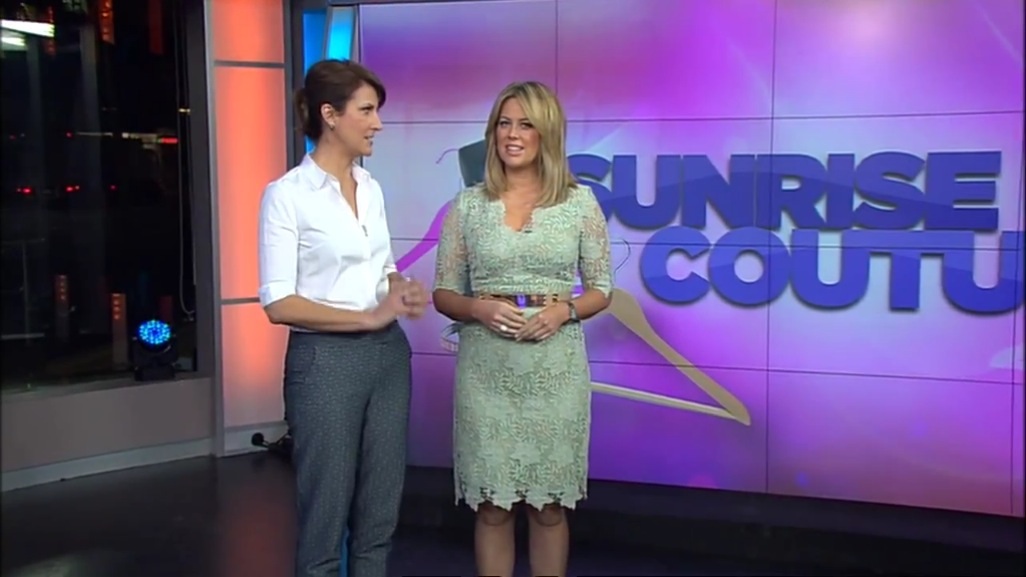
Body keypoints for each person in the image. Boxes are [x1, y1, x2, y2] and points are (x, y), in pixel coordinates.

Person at [432, 80, 613, 577]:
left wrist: (565, 311)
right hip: (486, 372)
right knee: (492, 505)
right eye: (504, 124)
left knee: (548, 506)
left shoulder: (579, 203)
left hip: (554, 370)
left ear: (546, 133)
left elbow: (602, 288)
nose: (512, 135)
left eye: (525, 125)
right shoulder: (467, 206)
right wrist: (477, 309)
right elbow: (443, 293)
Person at [257, 59, 427, 577]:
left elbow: (384, 267)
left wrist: (399, 290)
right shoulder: (286, 195)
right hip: (325, 362)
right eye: (367, 111)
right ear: (330, 115)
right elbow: (278, 302)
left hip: (388, 358)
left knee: (380, 510)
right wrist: (367, 317)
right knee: (325, 514)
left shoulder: (370, 188)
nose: (378, 124)